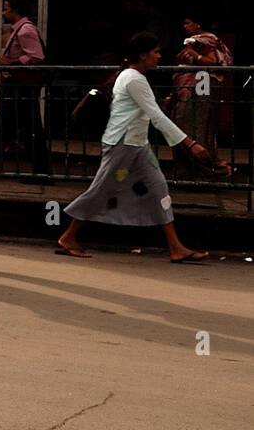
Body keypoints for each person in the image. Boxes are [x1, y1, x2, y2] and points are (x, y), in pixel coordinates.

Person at [57, 32, 224, 262]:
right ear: (143, 55)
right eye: (155, 52)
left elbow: (150, 112)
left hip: (137, 145)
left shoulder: (133, 77)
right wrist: (190, 143)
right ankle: (68, 236)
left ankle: (175, 247)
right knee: (102, 190)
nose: (159, 56)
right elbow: (156, 116)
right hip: (123, 145)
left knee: (158, 189)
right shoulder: (133, 79)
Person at [0, 0, 51, 175]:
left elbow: (37, 57)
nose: (4, 12)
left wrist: (12, 62)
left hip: (22, 86)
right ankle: (40, 170)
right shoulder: (19, 29)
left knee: (25, 129)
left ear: (15, 10)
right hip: (18, 86)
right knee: (12, 127)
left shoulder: (25, 30)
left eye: (7, 8)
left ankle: (41, 171)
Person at [170, 13, 233, 158]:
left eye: (188, 23)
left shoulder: (206, 40)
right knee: (183, 120)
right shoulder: (191, 42)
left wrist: (193, 53)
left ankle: (202, 160)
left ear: (197, 24)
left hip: (200, 89)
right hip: (188, 89)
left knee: (198, 123)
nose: (185, 26)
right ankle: (187, 158)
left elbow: (211, 61)